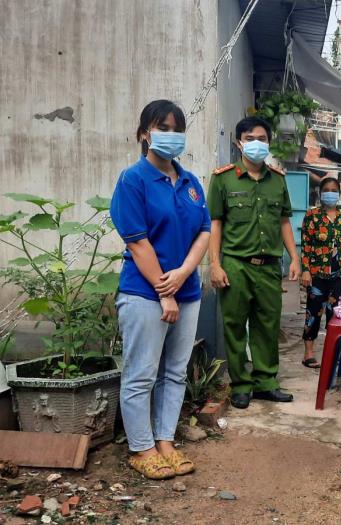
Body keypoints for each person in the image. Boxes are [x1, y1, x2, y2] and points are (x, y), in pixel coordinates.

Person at [111, 100, 211, 479]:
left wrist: (185, 272)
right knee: (141, 373)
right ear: (143, 134)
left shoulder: (190, 182)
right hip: (143, 293)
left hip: (187, 290)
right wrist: (163, 292)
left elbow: (204, 230)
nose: (169, 134)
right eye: (161, 127)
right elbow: (138, 242)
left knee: (175, 371)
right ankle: (141, 447)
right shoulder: (133, 180)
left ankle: (166, 441)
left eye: (175, 128)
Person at [207, 116, 301, 410]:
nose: (256, 144)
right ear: (239, 143)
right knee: (235, 326)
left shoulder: (278, 180)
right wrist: (215, 264)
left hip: (270, 265)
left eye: (261, 138)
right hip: (235, 264)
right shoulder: (223, 179)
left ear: (269, 142)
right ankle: (241, 385)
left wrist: (295, 258)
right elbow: (215, 223)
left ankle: (266, 382)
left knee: (267, 325)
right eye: (250, 139)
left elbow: (285, 220)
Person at [300, 178, 341, 368]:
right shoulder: (312, 216)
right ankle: (308, 353)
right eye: (326, 189)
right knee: (313, 312)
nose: (330, 193)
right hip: (317, 275)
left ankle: (331, 354)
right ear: (320, 193)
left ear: (339, 193)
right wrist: (305, 271)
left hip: (340, 274)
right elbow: (306, 246)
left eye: (334, 190)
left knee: (335, 315)